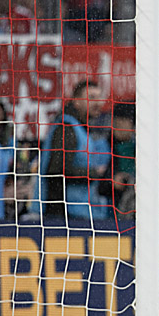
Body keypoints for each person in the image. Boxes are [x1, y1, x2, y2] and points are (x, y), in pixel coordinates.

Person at [39, 79, 112, 222]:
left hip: (79, 211)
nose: (98, 103)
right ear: (76, 102)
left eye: (99, 97)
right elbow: (56, 170)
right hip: (63, 214)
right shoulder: (67, 128)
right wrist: (93, 173)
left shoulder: (81, 128)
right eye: (91, 98)